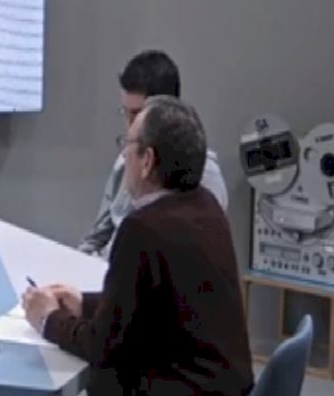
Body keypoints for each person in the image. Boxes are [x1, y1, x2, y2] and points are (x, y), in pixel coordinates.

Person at [21, 96, 254, 396]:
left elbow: (104, 348)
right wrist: (84, 302)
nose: (122, 156)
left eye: (126, 145)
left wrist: (48, 320)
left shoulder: (143, 229)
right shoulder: (205, 207)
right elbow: (154, 305)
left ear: (147, 161)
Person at [79, 50, 228, 258]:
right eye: (125, 113)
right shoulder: (126, 160)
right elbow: (96, 237)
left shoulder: (200, 176)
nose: (129, 126)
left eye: (137, 115)